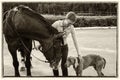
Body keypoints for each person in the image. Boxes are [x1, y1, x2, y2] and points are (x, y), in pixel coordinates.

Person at [52, 11, 81, 76]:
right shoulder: (57, 24)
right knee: (55, 65)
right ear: (66, 18)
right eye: (69, 23)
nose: (69, 25)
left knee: (64, 65)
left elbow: (75, 40)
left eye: (71, 24)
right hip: (56, 47)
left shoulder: (71, 27)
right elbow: (48, 34)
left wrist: (79, 53)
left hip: (65, 47)